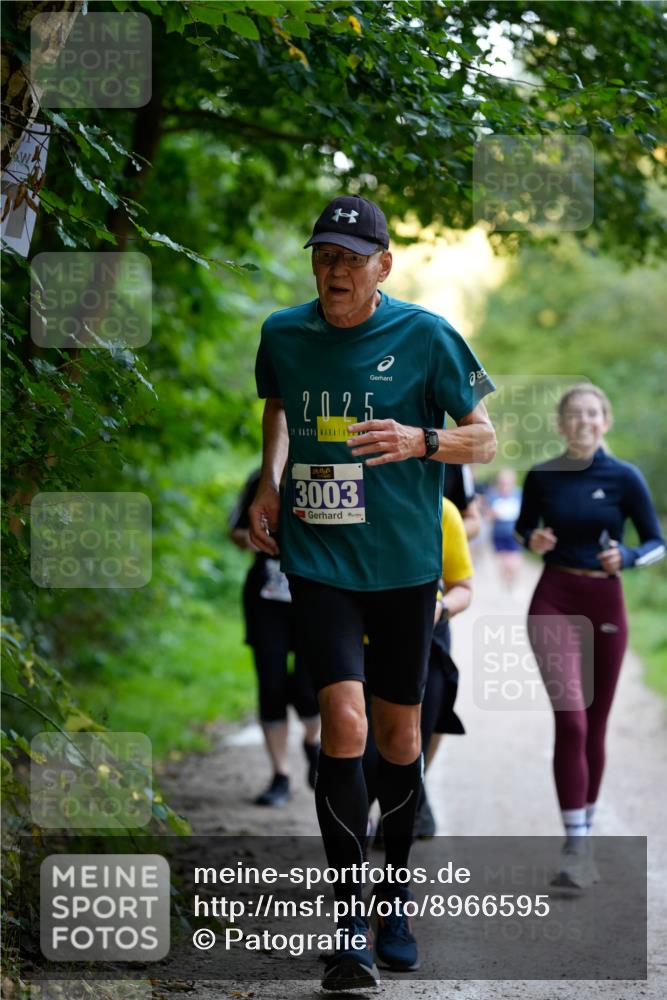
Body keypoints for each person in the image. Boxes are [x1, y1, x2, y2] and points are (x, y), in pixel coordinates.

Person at [248, 194, 496, 990]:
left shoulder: (424, 335)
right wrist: (269, 484)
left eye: (351, 259)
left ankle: (393, 899)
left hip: (403, 566)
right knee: (342, 722)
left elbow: (486, 438)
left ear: (382, 265)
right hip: (319, 561)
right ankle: (346, 921)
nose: (334, 270)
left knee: (397, 738)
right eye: (324, 255)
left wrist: (421, 439)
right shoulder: (283, 332)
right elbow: (278, 404)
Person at [514, 384, 665, 888]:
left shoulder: (625, 477)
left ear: (607, 420)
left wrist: (627, 556)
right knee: (572, 722)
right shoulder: (542, 476)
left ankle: (583, 836)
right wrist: (530, 539)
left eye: (592, 414)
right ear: (560, 425)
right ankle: (575, 846)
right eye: (573, 415)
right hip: (554, 599)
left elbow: (656, 542)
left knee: (595, 725)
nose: (583, 422)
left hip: (606, 602)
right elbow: (522, 529)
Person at [365, 496, 474, 843]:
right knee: (365, 759)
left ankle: (400, 825)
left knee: (411, 748)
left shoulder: (443, 510)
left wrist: (440, 608)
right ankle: (355, 840)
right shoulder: (352, 502)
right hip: (360, 648)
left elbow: (463, 588)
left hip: (427, 643)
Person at [229, 469, 320, 806]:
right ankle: (280, 775)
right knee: (271, 684)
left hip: (317, 596)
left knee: (309, 689)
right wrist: (254, 537)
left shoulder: (331, 470)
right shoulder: (260, 479)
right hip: (267, 599)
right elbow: (236, 531)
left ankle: (313, 743)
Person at [485, 467, 523, 588]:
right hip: (499, 534)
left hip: (515, 534)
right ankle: (506, 583)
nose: (505, 486)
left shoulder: (519, 494)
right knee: (503, 562)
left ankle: (512, 581)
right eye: (502, 483)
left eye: (507, 483)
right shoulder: (492, 495)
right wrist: (493, 514)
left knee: (514, 562)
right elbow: (487, 516)